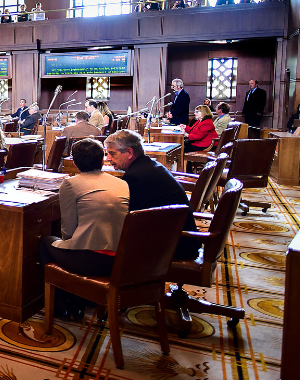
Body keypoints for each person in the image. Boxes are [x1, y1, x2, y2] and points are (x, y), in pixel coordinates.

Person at [39, 138, 130, 318]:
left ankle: (62, 306)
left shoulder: (72, 184)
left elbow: (68, 231)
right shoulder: (121, 183)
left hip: (94, 259)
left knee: (47, 242)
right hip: (122, 259)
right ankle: (79, 300)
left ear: (74, 161)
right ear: (102, 159)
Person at [104, 130, 200, 260]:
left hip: (175, 245)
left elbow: (126, 217)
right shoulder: (148, 165)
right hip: (179, 237)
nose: (108, 158)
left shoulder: (136, 176)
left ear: (130, 153)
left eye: (112, 154)